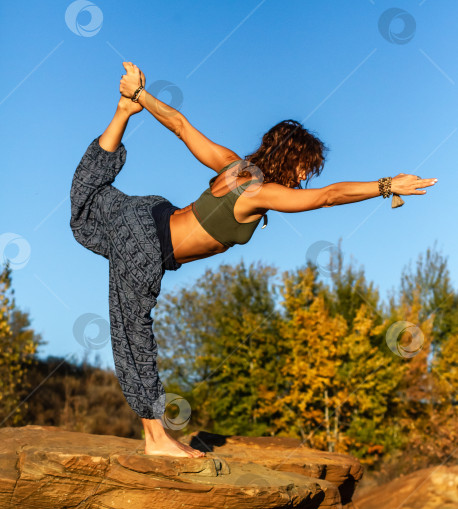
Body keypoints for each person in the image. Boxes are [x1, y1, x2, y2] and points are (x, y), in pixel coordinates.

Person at [69, 61, 437, 459]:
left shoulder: (233, 166)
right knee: (133, 332)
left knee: (86, 203)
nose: (304, 177)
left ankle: (124, 110)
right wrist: (385, 186)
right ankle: (157, 439)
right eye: (304, 167)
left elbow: (179, 124)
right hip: (146, 244)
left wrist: (140, 96)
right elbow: (328, 196)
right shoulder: (260, 192)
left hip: (145, 216)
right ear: (290, 157)